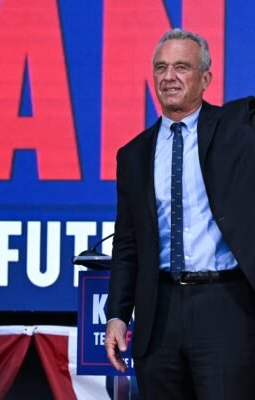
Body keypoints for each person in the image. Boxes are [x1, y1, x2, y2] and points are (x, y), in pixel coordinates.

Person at [105, 28, 255, 400]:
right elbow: (127, 244)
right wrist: (117, 314)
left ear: (206, 78)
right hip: (159, 312)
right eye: (161, 67)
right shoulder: (133, 154)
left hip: (226, 305)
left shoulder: (240, 127)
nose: (169, 76)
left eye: (182, 67)